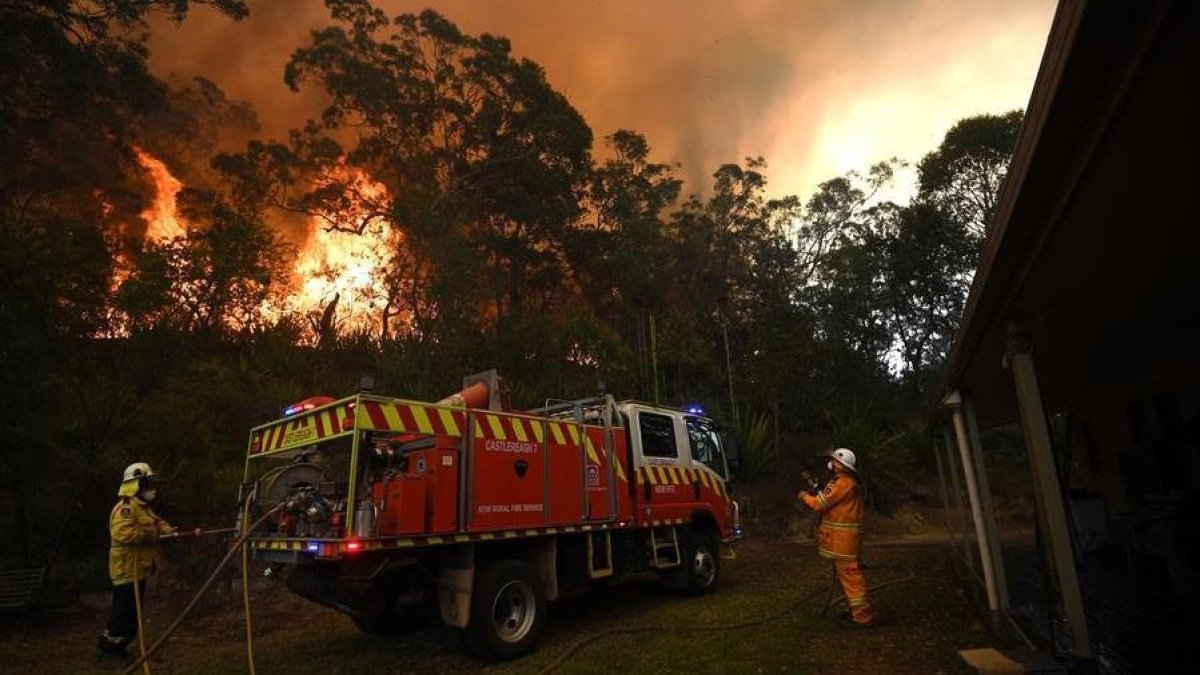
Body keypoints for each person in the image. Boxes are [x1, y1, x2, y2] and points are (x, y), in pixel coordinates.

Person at [97, 462, 176, 666]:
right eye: (148, 484)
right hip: (125, 569)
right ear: (136, 485)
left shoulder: (143, 509)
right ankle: (110, 654)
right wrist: (150, 535)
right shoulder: (125, 508)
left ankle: (113, 647)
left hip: (137, 570)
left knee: (131, 613)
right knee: (125, 613)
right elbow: (121, 533)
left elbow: (158, 523)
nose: (152, 489)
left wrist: (170, 532)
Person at [798, 448, 873, 627]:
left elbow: (819, 504)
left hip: (842, 541)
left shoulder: (841, 484)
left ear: (839, 465)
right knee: (849, 577)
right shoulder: (847, 483)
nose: (831, 464)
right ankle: (856, 612)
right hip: (845, 540)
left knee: (851, 577)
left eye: (834, 461)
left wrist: (804, 496)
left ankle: (862, 617)